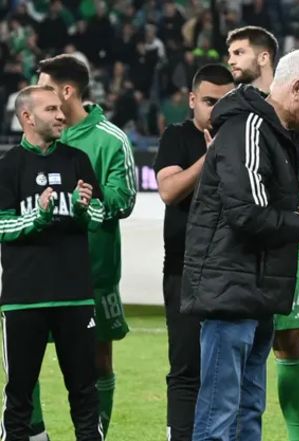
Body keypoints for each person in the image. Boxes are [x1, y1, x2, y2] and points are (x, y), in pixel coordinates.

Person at [181, 48, 299, 441]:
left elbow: (261, 203)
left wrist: (298, 210)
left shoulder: (283, 134)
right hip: (231, 290)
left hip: (259, 290)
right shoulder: (247, 126)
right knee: (219, 415)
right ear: (297, 87)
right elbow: (246, 214)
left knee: (248, 410)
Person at [226, 25, 299, 441]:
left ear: (264, 57)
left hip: (282, 235)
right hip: (240, 242)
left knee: (288, 341)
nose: (231, 59)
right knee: (235, 345)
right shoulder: (232, 107)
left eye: (239, 52)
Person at [36, 53, 137, 438]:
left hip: (93, 273)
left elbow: (124, 201)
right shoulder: (38, 136)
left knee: (99, 361)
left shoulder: (110, 139)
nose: (36, 96)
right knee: (23, 358)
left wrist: (85, 200)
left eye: (45, 88)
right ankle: (33, 432)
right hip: (41, 271)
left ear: (67, 91)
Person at [0, 85, 104, 441]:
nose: (61, 115)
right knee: (19, 397)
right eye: (51, 110)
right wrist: (40, 216)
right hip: (24, 298)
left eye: (60, 108)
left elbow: (100, 215)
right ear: (27, 117)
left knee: (85, 394)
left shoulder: (77, 160)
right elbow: (2, 225)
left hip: (75, 295)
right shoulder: (8, 167)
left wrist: (82, 208)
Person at [153, 64, 235, 441]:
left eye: (225, 102)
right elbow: (169, 191)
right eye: (209, 101)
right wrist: (209, 156)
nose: (217, 110)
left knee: (229, 371)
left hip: (231, 270)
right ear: (191, 100)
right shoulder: (177, 136)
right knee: (186, 368)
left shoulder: (243, 138)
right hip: (184, 269)